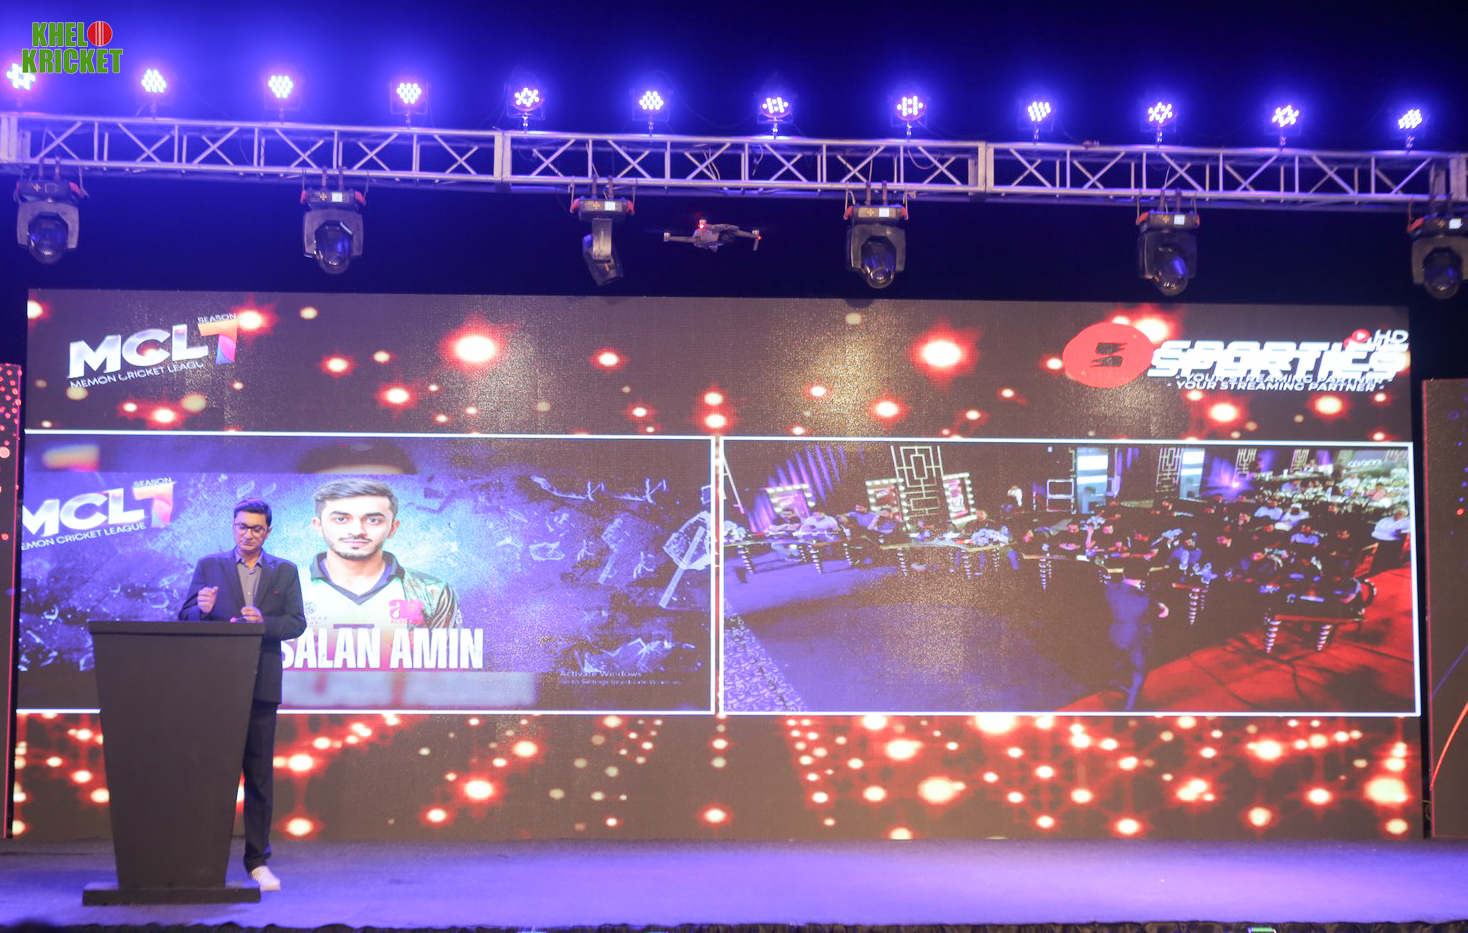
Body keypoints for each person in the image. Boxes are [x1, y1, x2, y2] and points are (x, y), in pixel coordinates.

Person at [179, 498, 306, 893]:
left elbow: (297, 623)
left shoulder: (285, 570)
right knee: (210, 776)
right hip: (216, 685)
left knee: (258, 777)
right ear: (232, 527)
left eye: (256, 528)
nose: (247, 534)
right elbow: (184, 616)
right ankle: (202, 859)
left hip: (261, 685)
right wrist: (201, 610)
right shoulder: (209, 566)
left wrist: (264, 622)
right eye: (241, 527)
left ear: (268, 531)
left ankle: (257, 862)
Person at [303, 479, 462, 641]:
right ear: (319, 526)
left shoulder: (432, 592)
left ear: (392, 528)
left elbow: (449, 655)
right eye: (341, 519)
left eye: (373, 520)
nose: (357, 531)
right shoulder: (291, 586)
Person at [1102, 558, 1168, 711]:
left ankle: (1117, 684)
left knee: (1118, 660)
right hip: (1137, 637)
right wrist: (1162, 607)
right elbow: (1161, 614)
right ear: (1145, 576)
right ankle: (1131, 705)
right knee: (1139, 670)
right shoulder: (1146, 599)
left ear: (1124, 572)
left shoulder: (1109, 588)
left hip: (1115, 632)